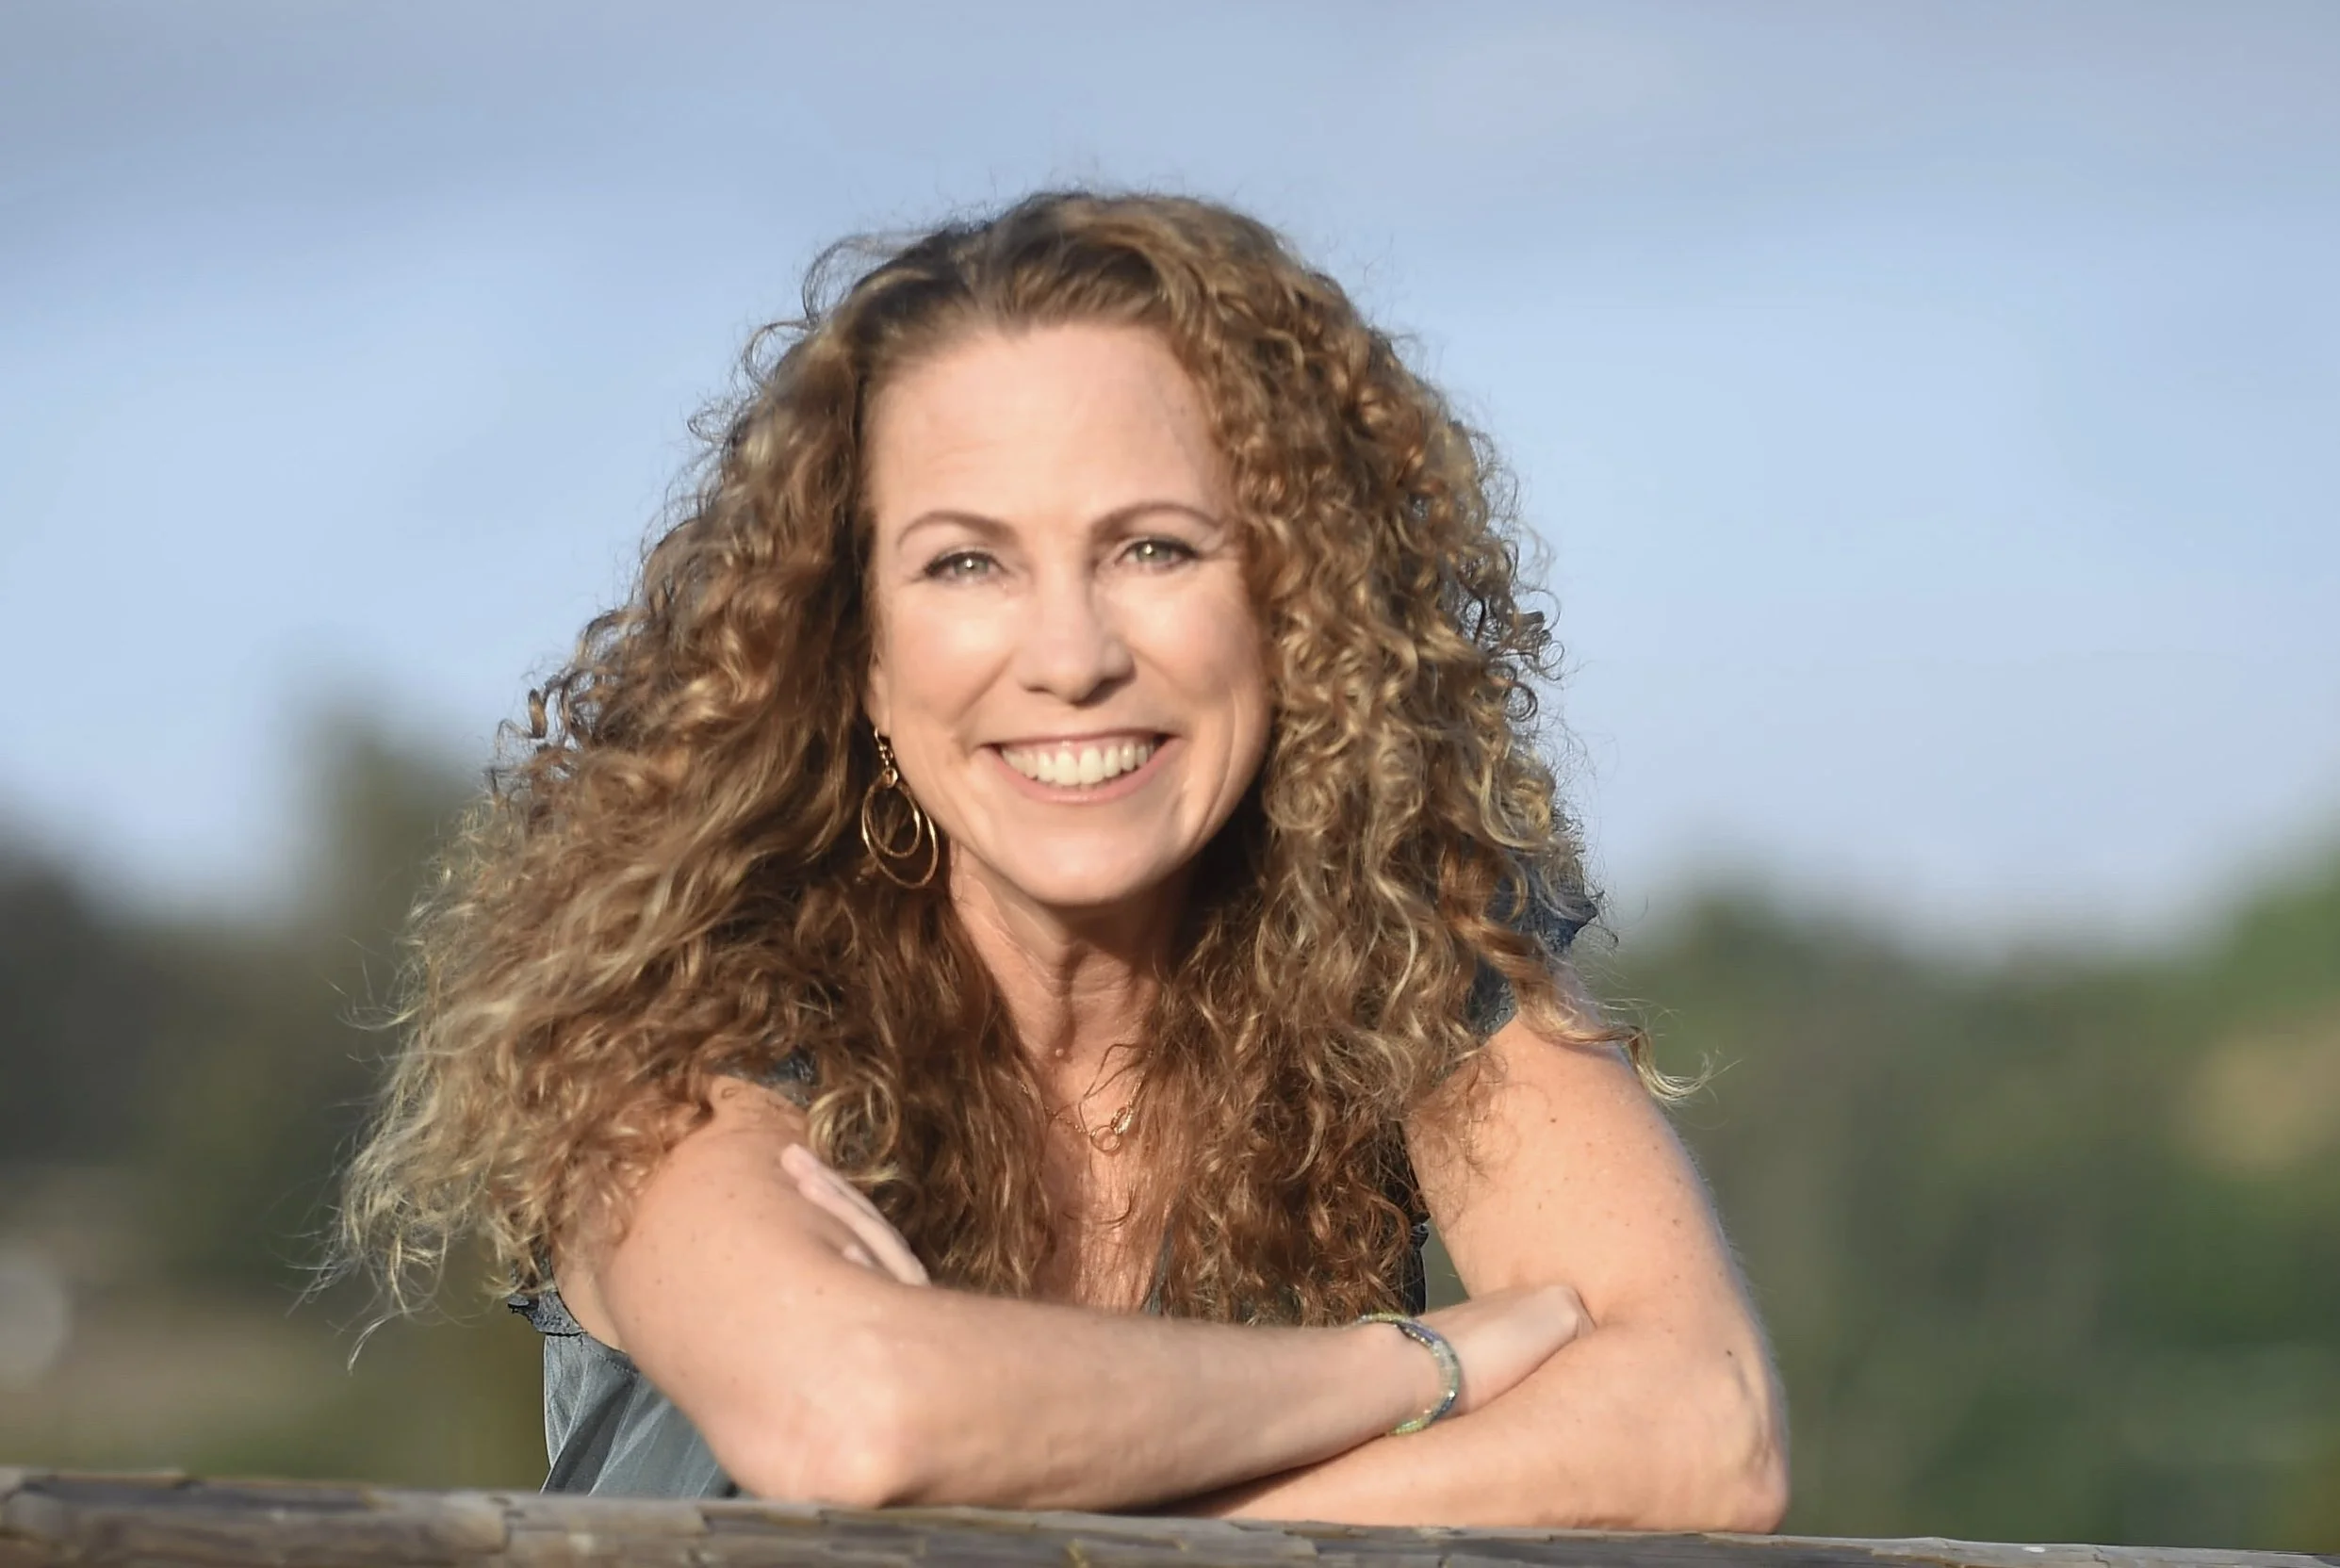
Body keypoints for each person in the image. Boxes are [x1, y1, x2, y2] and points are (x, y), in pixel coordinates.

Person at [336, 189, 1787, 1527]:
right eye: (967, 563)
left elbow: (1703, 1423)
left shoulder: (1400, 952)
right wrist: (1414, 1370)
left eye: (1154, 548)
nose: (1074, 656)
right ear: (855, 654)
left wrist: (1157, 1548)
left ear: (1296, 605)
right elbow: (848, 1414)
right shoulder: (690, 1009)